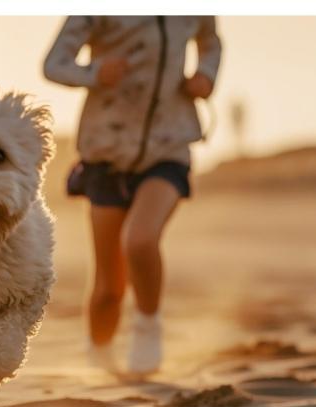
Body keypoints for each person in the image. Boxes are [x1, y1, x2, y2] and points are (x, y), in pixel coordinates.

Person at [43, 16, 221, 374]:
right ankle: (100, 356)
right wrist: (95, 72)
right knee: (109, 287)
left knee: (139, 240)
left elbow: (210, 41)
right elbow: (54, 64)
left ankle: (147, 326)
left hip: (168, 148)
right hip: (106, 153)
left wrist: (206, 75)